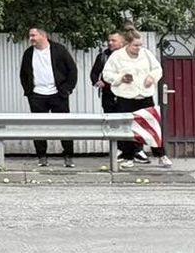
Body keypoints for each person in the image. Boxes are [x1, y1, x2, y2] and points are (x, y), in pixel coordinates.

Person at [103, 28, 172, 169]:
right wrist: (121, 78)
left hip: (144, 95)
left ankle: (161, 155)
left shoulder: (146, 54)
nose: (138, 48)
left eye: (140, 45)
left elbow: (157, 69)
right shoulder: (117, 56)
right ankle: (128, 156)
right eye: (135, 45)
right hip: (126, 96)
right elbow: (107, 74)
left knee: (153, 125)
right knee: (128, 127)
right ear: (127, 43)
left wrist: (151, 77)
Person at [19, 27, 79, 167]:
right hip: (37, 95)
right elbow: (23, 74)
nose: (31, 38)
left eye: (33, 35)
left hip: (58, 95)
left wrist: (66, 90)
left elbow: (72, 70)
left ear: (43, 35)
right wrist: (29, 92)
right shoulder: (28, 53)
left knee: (64, 126)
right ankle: (42, 157)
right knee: (38, 127)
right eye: (30, 36)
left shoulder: (59, 50)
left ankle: (68, 156)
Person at [91, 31, 142, 164]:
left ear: (122, 42)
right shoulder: (103, 56)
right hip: (109, 95)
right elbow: (95, 73)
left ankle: (137, 150)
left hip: (128, 95)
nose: (110, 43)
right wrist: (98, 82)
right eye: (109, 40)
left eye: (114, 40)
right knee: (113, 122)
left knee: (130, 122)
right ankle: (119, 149)